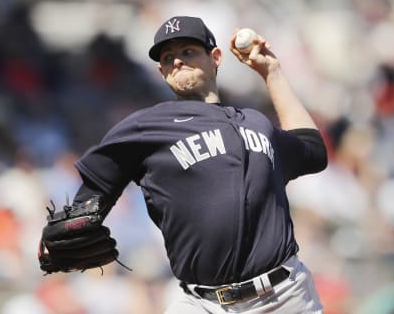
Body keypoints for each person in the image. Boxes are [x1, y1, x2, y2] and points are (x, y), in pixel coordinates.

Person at [59, 16, 327, 313]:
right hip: (202, 303)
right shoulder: (146, 127)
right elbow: (98, 187)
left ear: (215, 58)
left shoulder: (256, 123)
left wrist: (272, 73)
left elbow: (313, 151)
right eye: (167, 57)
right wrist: (72, 226)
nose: (177, 61)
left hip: (285, 295)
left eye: (188, 52)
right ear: (161, 72)